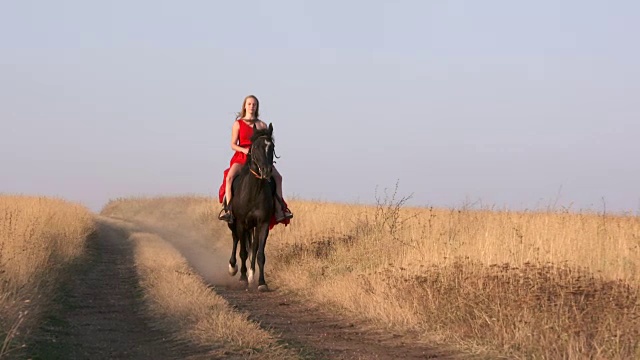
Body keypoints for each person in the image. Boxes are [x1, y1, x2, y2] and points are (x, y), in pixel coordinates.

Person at [218, 94, 293, 224]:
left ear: (257, 107)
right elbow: (233, 144)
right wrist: (244, 150)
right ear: (245, 106)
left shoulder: (262, 125)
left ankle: (280, 210)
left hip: (260, 158)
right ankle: (229, 211)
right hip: (242, 156)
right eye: (249, 104)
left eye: (254, 104)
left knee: (278, 178)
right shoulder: (238, 124)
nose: (252, 106)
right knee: (229, 178)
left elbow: (267, 143)